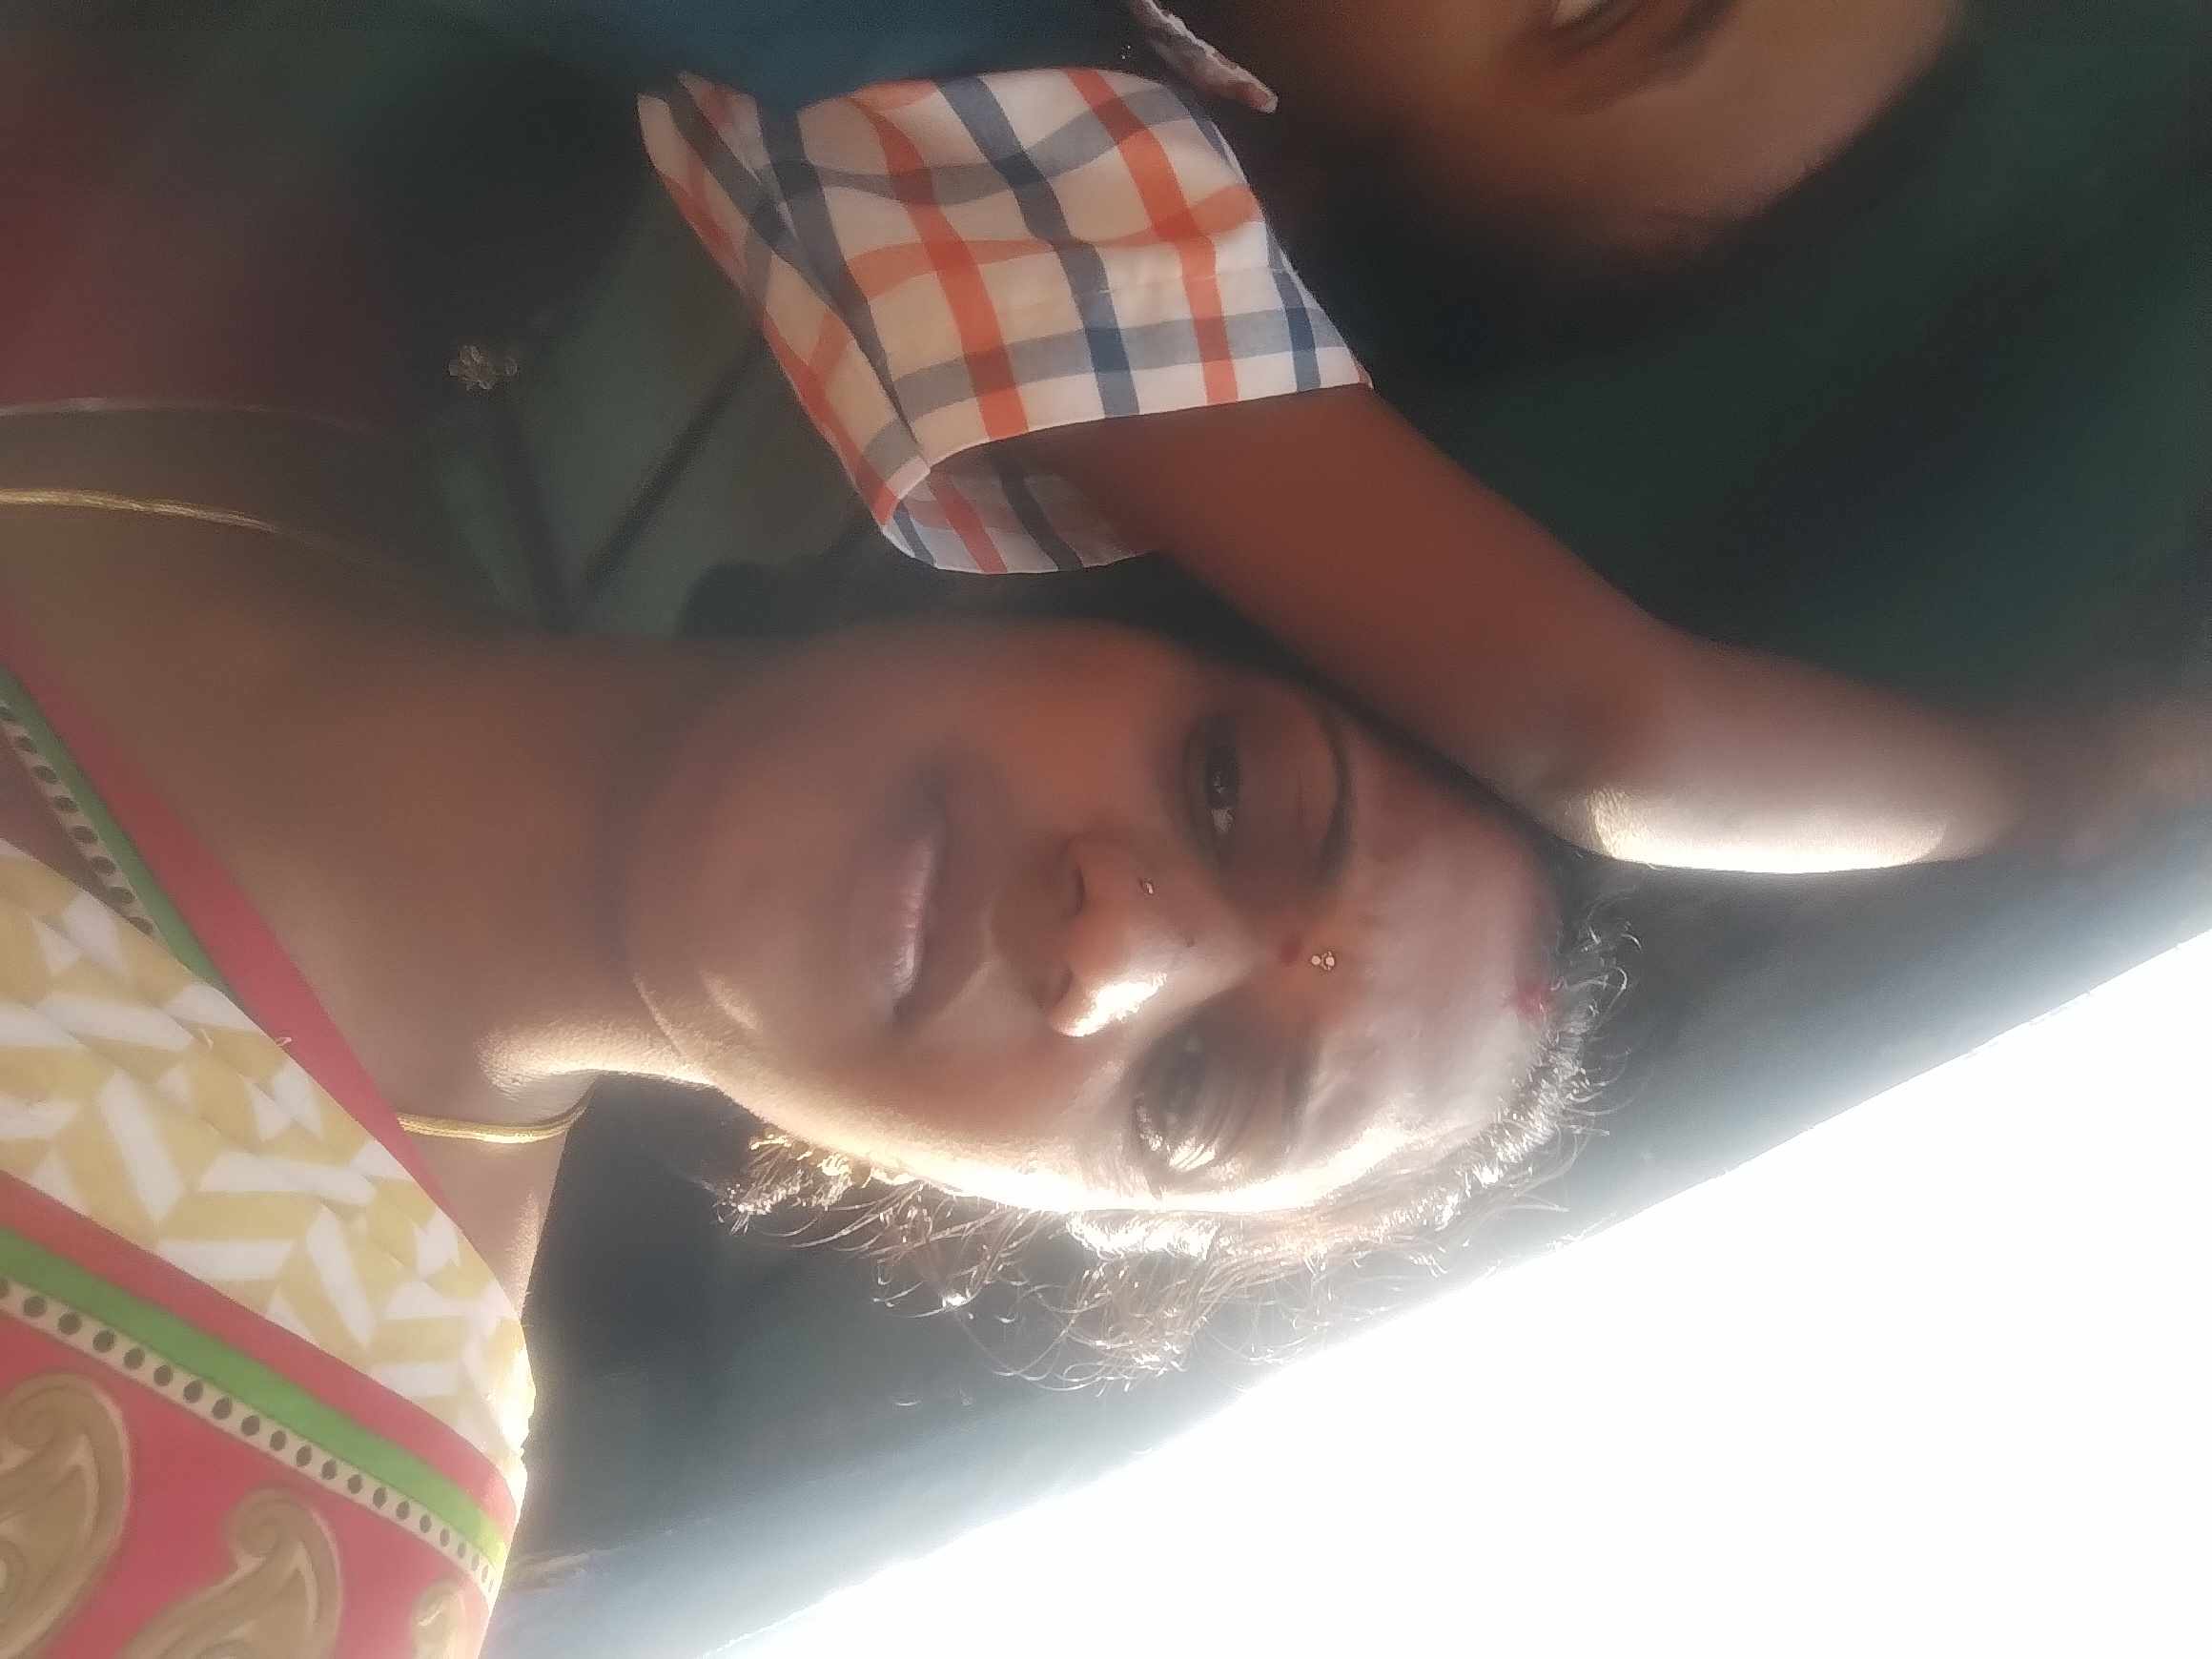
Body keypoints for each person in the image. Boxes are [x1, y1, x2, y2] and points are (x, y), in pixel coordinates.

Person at [0, 472, 1610, 1654]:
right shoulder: (238, 297)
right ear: (1092, 604)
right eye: (1224, 785)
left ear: (1035, 1208)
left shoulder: (294, 1550)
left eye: (1188, 1096)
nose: (1117, 942)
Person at [623, 0, 2207, 882]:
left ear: (1264, 160)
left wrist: (2050, 779)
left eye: (1595, 16)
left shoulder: (1018, 153)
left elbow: (1608, 734)